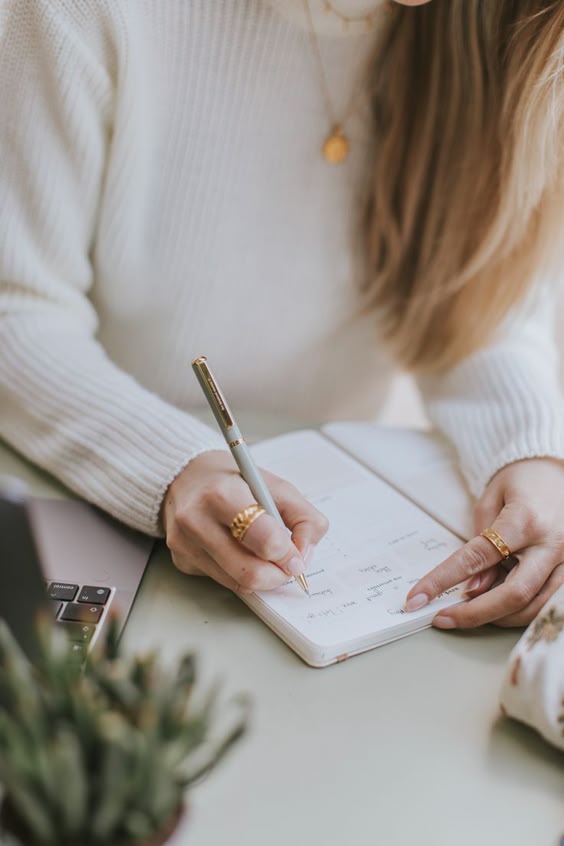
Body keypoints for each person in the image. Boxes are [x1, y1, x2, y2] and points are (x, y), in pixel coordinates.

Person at [1, 0, 564, 632]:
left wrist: (533, 453)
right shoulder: (80, 13)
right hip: (80, 500)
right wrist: (167, 465)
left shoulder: (506, 23)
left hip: (327, 534)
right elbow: (15, 311)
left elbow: (475, 301)